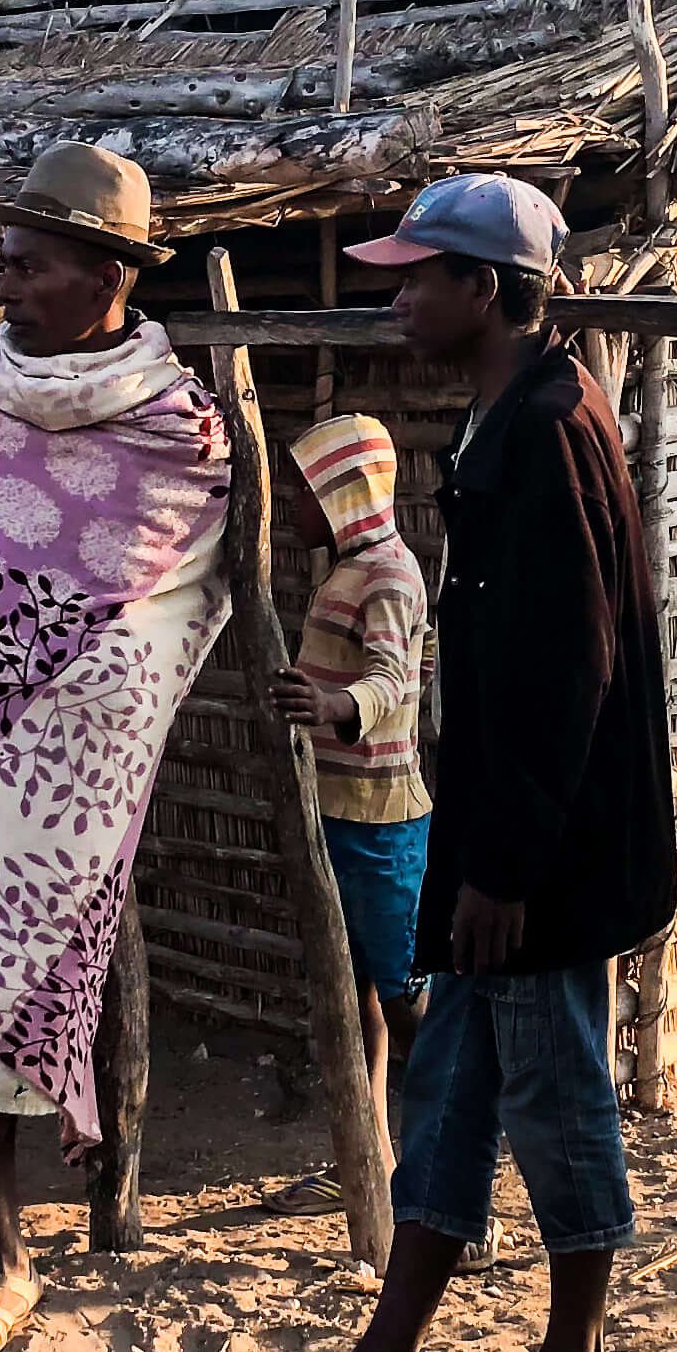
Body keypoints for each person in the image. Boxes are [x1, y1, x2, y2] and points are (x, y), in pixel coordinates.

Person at [185, 172, 677, 1352]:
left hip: (545, 857)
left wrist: (506, 866)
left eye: (419, 277)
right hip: (502, 841)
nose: (397, 297)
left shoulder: (549, 427)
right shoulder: (508, 417)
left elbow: (569, 668)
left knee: (559, 1097)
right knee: (453, 1092)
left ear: (485, 290)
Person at [0, 142, 234, 1352]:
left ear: (106, 274)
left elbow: (174, 594)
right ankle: (7, 1266)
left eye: (30, 266)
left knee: (13, 992)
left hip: (75, 763)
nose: (5, 286)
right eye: (3, 263)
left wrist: (81, 685)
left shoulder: (178, 430)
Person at [263, 411, 429, 1201]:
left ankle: (443, 1183)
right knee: (359, 991)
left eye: (303, 494)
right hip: (341, 810)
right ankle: (371, 1165)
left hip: (380, 819)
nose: (292, 510)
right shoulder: (349, 570)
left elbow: (391, 679)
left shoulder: (389, 578)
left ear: (345, 496)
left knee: (405, 1000)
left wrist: (334, 707)